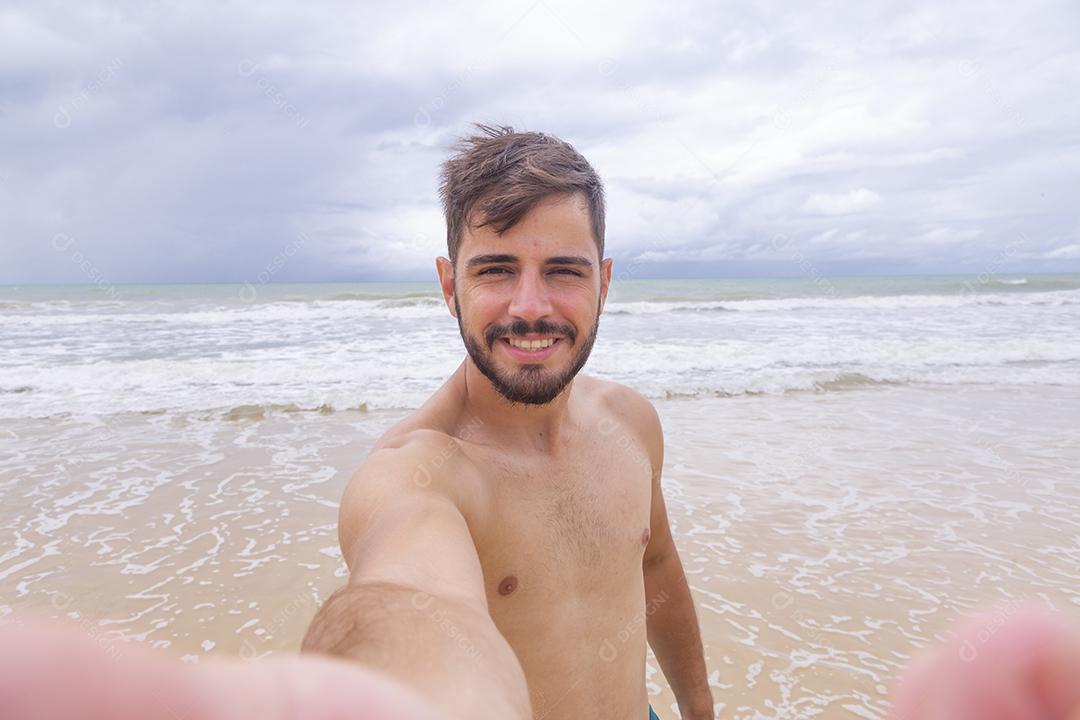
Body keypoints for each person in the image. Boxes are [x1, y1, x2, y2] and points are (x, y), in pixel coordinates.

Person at [2, 125, 1079, 720]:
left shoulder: (631, 422)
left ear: (604, 281)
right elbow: (405, 605)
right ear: (446, 283)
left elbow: (656, 572)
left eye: (561, 270)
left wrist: (700, 715)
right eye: (495, 271)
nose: (529, 306)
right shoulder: (419, 480)